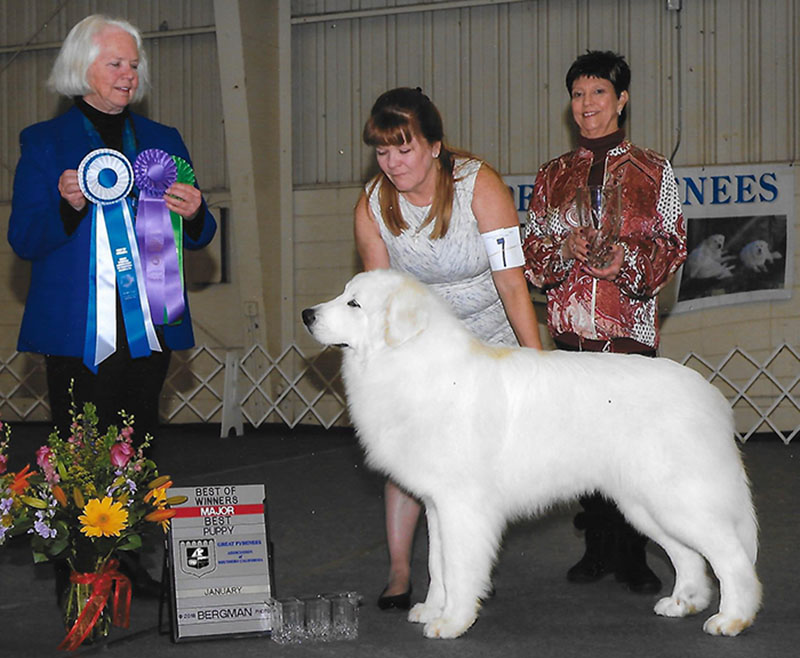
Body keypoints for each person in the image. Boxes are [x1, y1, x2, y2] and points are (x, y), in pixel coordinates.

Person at [7, 15, 217, 595]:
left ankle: (123, 563)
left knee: (139, 443)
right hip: (77, 329)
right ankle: (78, 569)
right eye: (115, 63)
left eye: (134, 64)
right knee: (81, 449)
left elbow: (198, 234)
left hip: (151, 322)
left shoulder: (163, 140)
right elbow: (24, 239)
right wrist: (68, 206)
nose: (128, 74)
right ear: (82, 69)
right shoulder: (44, 143)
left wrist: (197, 211)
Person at [355, 87, 542, 610]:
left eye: (404, 149)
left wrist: (534, 359)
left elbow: (511, 281)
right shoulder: (371, 206)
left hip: (491, 338)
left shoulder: (480, 186)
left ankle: (467, 569)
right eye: (382, 151)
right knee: (407, 458)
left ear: (435, 146)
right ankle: (399, 571)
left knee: (478, 467)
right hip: (422, 351)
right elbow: (379, 299)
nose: (392, 163)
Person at [522, 50, 687, 594]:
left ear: (622, 99)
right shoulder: (550, 176)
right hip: (570, 333)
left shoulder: (655, 169)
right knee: (582, 454)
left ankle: (633, 556)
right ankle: (597, 548)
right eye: (577, 94)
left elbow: (673, 245)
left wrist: (628, 263)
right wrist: (564, 247)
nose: (586, 104)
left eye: (598, 93)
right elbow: (534, 258)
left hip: (629, 335)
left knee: (632, 455)